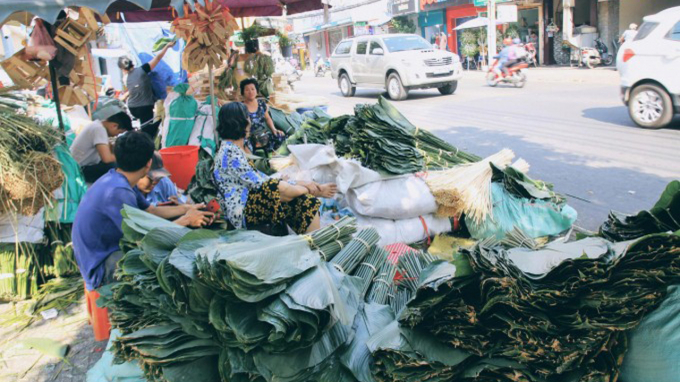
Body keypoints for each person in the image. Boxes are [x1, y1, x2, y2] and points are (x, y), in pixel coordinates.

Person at [73, 131, 213, 291]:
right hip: (101, 266)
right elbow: (145, 241)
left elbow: (151, 211)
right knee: (165, 264)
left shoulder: (118, 179)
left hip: (102, 253)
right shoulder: (118, 192)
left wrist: (188, 208)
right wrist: (187, 220)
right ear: (148, 164)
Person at [212, 103, 337, 234]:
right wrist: (306, 187)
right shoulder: (230, 154)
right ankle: (315, 191)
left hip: (251, 199)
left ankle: (314, 241)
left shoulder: (233, 148)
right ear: (240, 122)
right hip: (241, 211)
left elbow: (259, 177)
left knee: (303, 200)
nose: (249, 121)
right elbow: (267, 185)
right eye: (247, 118)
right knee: (277, 188)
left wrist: (301, 183)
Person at [118, 40, 175, 138]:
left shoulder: (126, 78)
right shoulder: (142, 70)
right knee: (148, 132)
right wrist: (167, 47)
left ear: (123, 69)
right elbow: (157, 58)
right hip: (144, 106)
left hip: (132, 107)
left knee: (146, 128)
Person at [70, 111, 133, 183]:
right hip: (80, 169)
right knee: (116, 166)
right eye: (119, 132)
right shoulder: (99, 129)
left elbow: (109, 150)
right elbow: (107, 158)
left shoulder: (97, 125)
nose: (116, 135)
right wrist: (125, 156)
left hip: (80, 165)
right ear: (114, 126)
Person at [240, 78, 285, 154]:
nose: (250, 92)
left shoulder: (261, 104)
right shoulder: (241, 107)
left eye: (252, 89)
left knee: (280, 137)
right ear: (243, 92)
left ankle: (271, 157)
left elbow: (267, 118)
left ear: (256, 91)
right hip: (249, 136)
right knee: (247, 148)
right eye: (247, 90)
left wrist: (274, 129)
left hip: (263, 134)